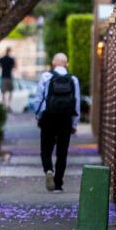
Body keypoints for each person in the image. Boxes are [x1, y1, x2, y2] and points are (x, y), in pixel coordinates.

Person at [35, 52, 80, 192]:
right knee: (62, 152)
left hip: (48, 116)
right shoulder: (73, 79)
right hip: (66, 118)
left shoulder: (46, 77)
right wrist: (74, 123)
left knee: (46, 149)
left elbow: (39, 98)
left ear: (53, 63)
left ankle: (48, 169)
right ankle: (58, 183)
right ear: (66, 64)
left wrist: (38, 116)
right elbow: (76, 101)